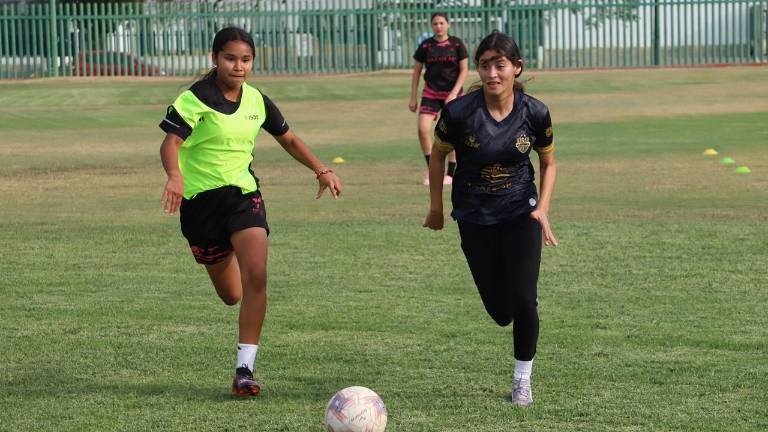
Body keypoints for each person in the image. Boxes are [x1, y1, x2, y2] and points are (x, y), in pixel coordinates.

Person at [158, 27, 342, 397]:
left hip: (243, 196)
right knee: (231, 295)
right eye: (230, 58)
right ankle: (232, 285)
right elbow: (171, 142)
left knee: (257, 273)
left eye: (245, 59)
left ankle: (245, 369)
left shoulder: (257, 101)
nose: (238, 66)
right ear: (215, 58)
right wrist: (175, 175)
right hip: (200, 207)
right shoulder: (196, 98)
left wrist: (321, 169)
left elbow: (287, 137)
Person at [423, 31, 558, 407]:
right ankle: (515, 307)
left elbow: (548, 163)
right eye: (485, 65)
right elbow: (437, 156)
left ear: (517, 68)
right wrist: (436, 207)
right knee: (501, 312)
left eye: (501, 65)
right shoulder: (458, 113)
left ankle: (522, 380)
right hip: (474, 215)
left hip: (521, 211)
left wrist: (542, 208)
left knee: (524, 300)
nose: (493, 73)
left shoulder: (535, 112)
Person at [409, 12, 469, 186]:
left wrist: (454, 93)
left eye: (442, 23)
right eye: (435, 24)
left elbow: (464, 70)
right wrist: (413, 97)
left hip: (453, 94)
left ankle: (451, 172)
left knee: (453, 133)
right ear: (431, 26)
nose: (439, 26)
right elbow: (416, 72)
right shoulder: (426, 46)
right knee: (422, 129)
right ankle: (432, 169)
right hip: (431, 93)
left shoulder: (457, 44)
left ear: (448, 24)